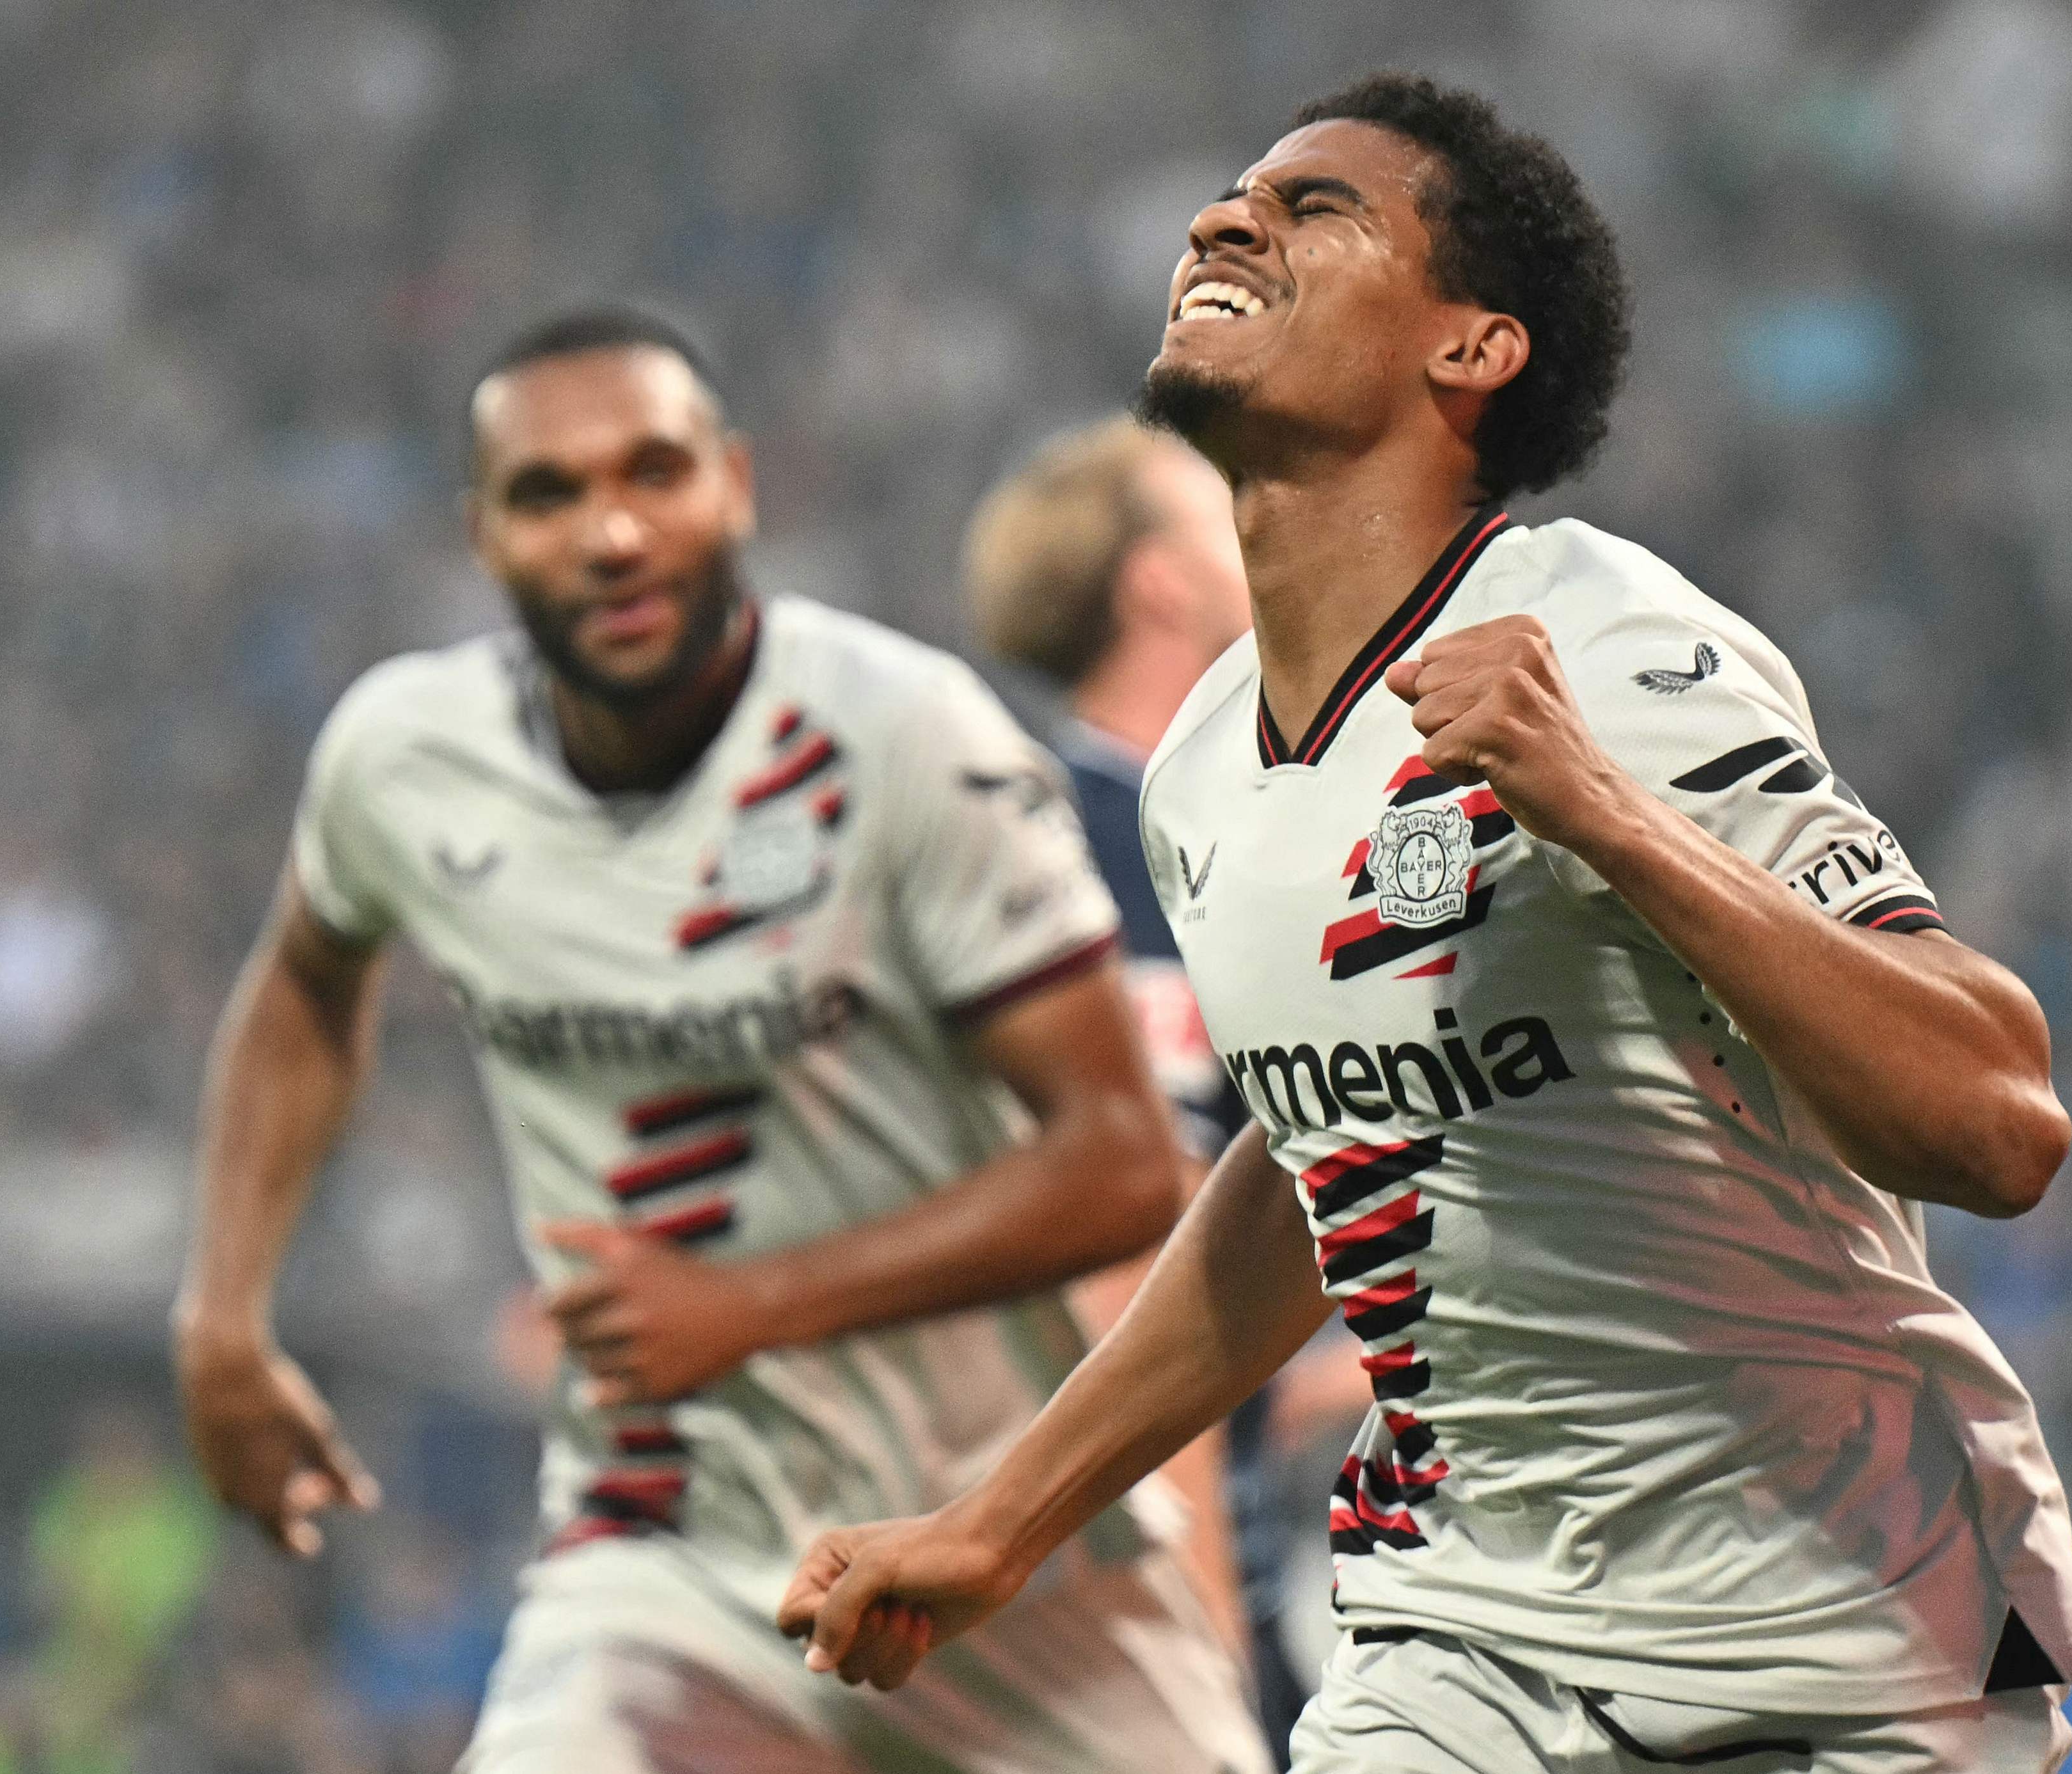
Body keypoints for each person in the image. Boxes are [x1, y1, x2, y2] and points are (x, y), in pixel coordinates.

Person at [780, 74, 2072, 1773]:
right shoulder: (1200, 767)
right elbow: (1309, 1155)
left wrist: (1605, 812)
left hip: (1835, 1637)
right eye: (1233, 195)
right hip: (1461, 1631)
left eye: (1314, 208)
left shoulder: (1605, 647)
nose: (1224, 220)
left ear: (1471, 348)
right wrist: (998, 1522)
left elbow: (2000, 1117)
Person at [171, 306, 1272, 1774]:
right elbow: (305, 981)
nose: (612, 533)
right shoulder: (406, 758)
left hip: (1000, 1541)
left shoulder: (904, 738)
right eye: (548, 494)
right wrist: (223, 1315)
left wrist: (749, 1303)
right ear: (482, 535)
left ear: (736, 485)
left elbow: (1126, 1167)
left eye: (654, 472)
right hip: (667, 1550)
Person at [968, 419, 1372, 1764]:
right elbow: (1136, 1268)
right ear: (1158, 581)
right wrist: (1205, 1671)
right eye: (1218, 512)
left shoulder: (1168, 830)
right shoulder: (1097, 857)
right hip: (1137, 1583)